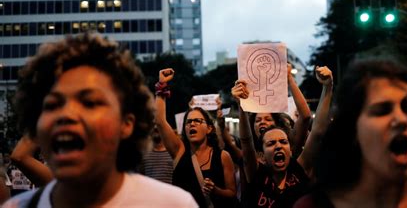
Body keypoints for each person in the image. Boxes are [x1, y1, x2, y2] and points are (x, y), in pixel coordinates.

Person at [2, 33, 197, 208]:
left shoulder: (173, 204)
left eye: (89, 103)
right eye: (52, 105)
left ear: (126, 123)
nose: (66, 115)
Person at [294, 58, 407, 208]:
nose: (402, 119)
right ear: (353, 127)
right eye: (383, 110)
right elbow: (318, 131)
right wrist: (328, 88)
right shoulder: (313, 205)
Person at [232, 66, 333, 208]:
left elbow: (317, 131)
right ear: (261, 154)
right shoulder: (256, 174)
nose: (278, 146)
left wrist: (328, 87)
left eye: (283, 142)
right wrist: (241, 104)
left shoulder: (299, 170)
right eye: (271, 143)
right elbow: (246, 141)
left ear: (290, 151)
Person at [155, 68, 237, 208]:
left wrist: (215, 190)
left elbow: (232, 193)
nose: (192, 124)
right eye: (188, 122)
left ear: (209, 128)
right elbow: (160, 121)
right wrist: (161, 86)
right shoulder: (179, 151)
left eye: (198, 121)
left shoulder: (223, 156)